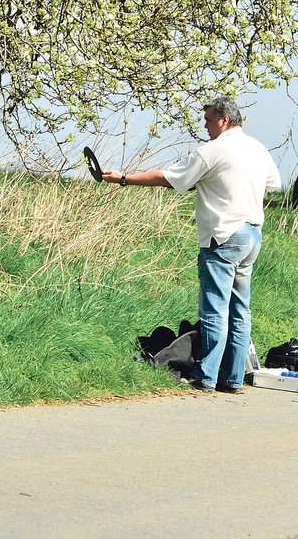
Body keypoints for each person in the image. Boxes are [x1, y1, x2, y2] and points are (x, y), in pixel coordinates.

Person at [101, 97, 281, 393]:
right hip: (252, 235)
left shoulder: (213, 150)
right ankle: (233, 378)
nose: (206, 126)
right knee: (240, 311)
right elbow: (272, 183)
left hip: (222, 236)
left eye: (209, 120)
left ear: (223, 120)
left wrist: (124, 178)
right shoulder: (258, 148)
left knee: (214, 310)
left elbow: (169, 178)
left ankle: (206, 376)